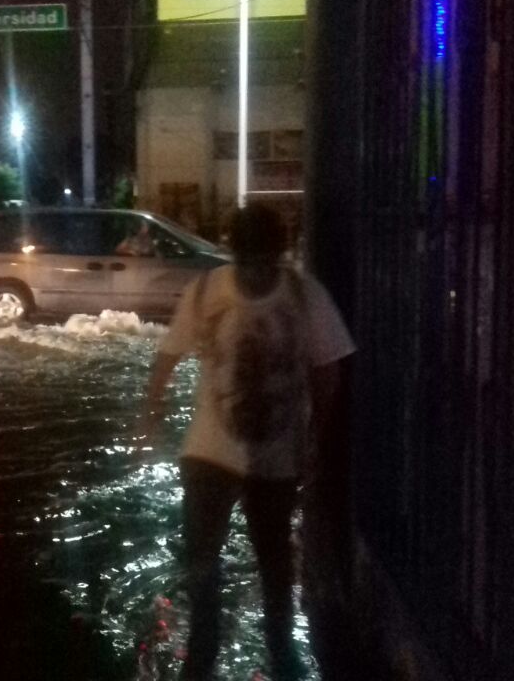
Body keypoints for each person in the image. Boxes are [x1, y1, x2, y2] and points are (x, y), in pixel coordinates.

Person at [140, 202, 355, 680]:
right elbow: (166, 359)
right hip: (207, 453)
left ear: (280, 254)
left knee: (274, 560)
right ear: (233, 253)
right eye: (248, 259)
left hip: (276, 460)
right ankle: (204, 650)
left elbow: (329, 371)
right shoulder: (204, 294)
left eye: (266, 260)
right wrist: (149, 419)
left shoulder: (305, 297)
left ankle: (280, 651)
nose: (257, 272)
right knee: (202, 559)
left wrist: (316, 438)